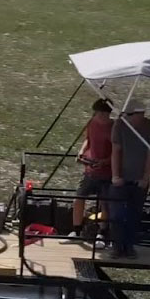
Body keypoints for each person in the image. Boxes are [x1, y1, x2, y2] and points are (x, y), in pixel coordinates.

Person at [109, 98, 150, 259]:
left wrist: (146, 177)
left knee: (135, 214)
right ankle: (117, 246)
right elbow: (116, 150)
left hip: (139, 179)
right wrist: (116, 175)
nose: (128, 118)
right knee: (116, 215)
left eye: (131, 115)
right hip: (121, 178)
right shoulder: (120, 125)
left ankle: (130, 246)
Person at [60, 99, 114, 249]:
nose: (103, 115)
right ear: (95, 111)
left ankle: (102, 233)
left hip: (107, 172)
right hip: (90, 170)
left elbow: (117, 152)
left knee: (105, 203)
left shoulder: (114, 127)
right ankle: (76, 231)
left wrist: (104, 162)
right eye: (100, 112)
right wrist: (81, 152)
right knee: (78, 198)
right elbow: (88, 140)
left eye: (106, 112)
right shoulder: (91, 123)